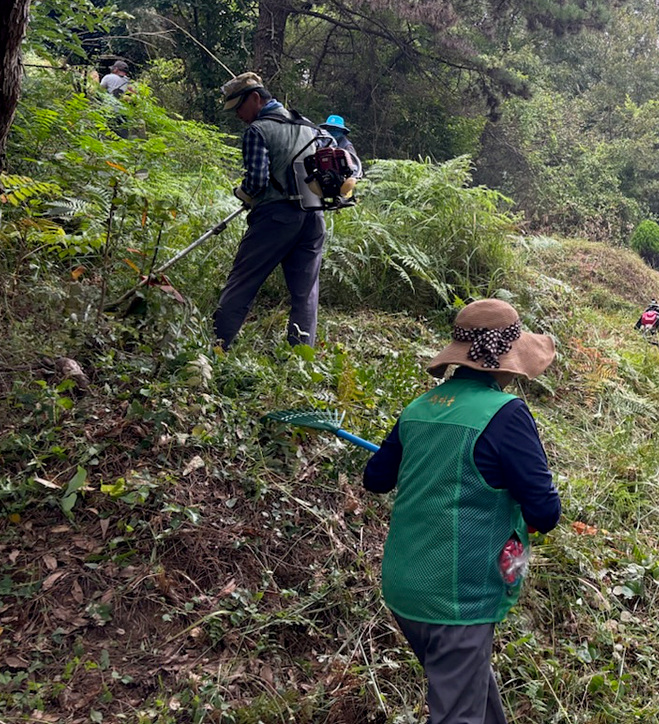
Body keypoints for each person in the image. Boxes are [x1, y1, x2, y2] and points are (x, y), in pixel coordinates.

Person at [364, 298, 561, 724]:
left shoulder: (419, 409)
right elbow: (545, 511)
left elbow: (376, 478)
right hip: (457, 597)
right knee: (459, 709)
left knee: (465, 686)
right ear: (507, 363)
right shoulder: (507, 415)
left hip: (404, 586)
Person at [212, 72, 333, 349]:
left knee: (242, 282)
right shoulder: (308, 126)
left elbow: (256, 182)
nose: (238, 115)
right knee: (305, 293)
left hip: (275, 219)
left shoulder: (258, 130)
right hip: (313, 217)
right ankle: (300, 357)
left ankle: (217, 346)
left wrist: (241, 193)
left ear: (255, 98)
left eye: (239, 107)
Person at [322, 114, 363, 178]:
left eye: (336, 129)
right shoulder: (323, 143)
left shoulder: (347, 146)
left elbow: (355, 168)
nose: (333, 131)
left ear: (342, 132)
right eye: (330, 129)